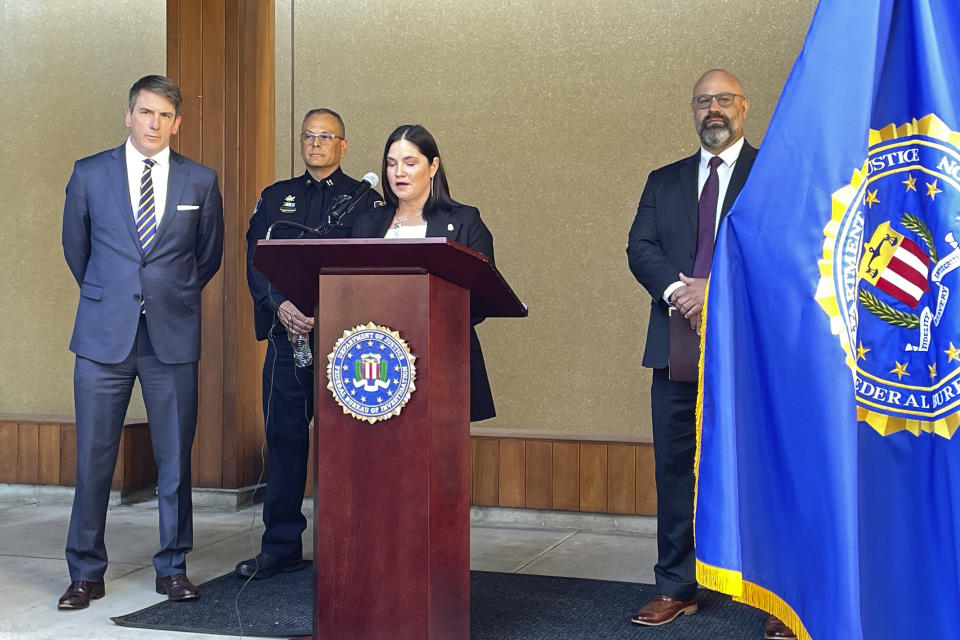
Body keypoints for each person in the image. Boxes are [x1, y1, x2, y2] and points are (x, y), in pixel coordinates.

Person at [626, 70, 794, 640]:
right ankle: (676, 585)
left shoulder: (776, 172)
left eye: (724, 99)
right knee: (674, 469)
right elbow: (640, 248)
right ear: (693, 111)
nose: (713, 109)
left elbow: (787, 248)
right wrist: (680, 291)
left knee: (766, 468)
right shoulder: (664, 180)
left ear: (745, 107)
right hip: (675, 345)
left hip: (757, 355)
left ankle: (785, 598)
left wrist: (713, 288)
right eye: (703, 101)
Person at [59, 75, 224, 609]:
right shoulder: (89, 174)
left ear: (178, 122)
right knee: (93, 460)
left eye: (166, 115)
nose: (155, 123)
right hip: (103, 337)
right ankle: (85, 572)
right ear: (129, 115)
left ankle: (172, 568)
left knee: (174, 461)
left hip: (170, 338)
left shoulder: (200, 181)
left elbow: (208, 257)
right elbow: (76, 251)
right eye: (146, 112)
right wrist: (115, 295)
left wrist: (167, 295)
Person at [237, 108, 383, 579]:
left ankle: (351, 547)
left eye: (327, 136)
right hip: (287, 338)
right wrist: (280, 306)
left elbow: (372, 270)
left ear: (344, 146)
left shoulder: (365, 201)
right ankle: (280, 546)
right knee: (284, 440)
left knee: (350, 445)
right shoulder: (276, 197)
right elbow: (256, 259)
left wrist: (329, 312)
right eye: (309, 135)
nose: (316, 143)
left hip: (346, 343)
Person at [351, 124, 496, 422]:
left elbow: (481, 295)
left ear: (433, 166)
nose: (398, 172)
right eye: (391, 164)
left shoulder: (465, 220)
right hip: (379, 364)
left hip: (443, 362)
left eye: (409, 163)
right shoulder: (367, 222)